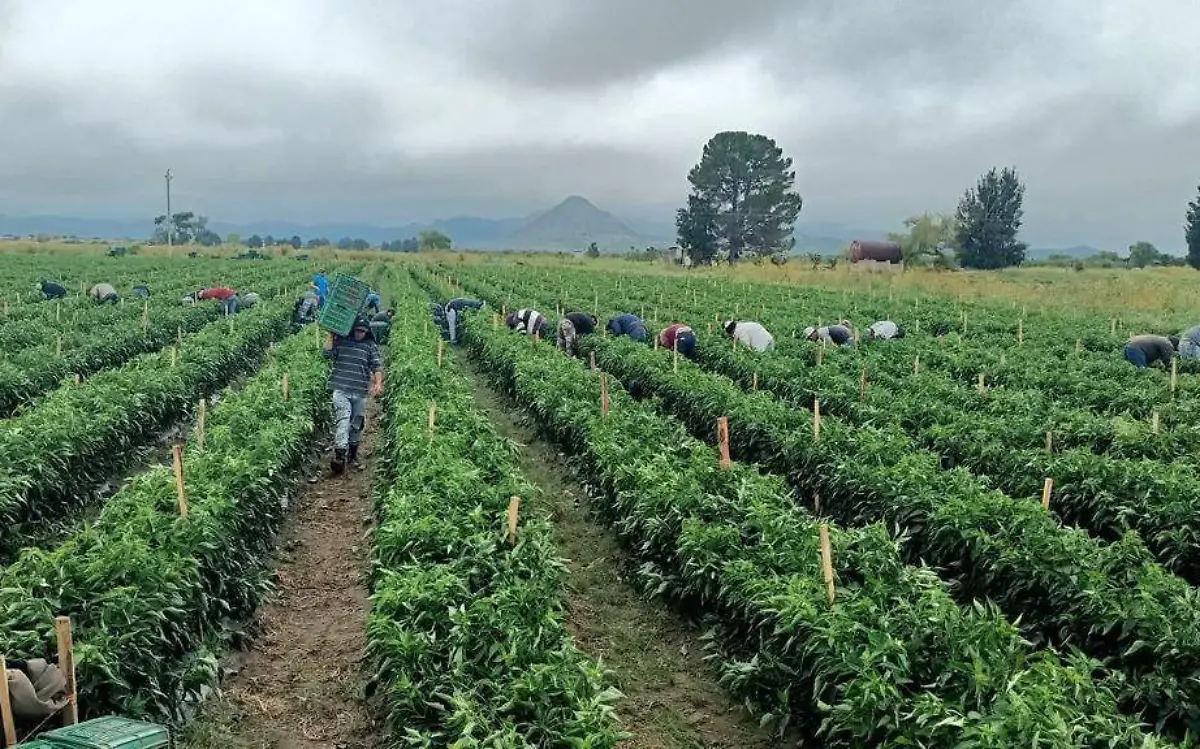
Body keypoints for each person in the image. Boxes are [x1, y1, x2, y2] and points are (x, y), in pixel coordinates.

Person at [323, 315, 383, 475]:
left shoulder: (370, 346)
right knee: (343, 420)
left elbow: (376, 366)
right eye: (357, 330)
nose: (359, 334)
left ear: (367, 332)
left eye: (363, 331)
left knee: (357, 422)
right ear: (352, 329)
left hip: (360, 391)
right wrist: (331, 335)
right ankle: (340, 455)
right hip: (341, 389)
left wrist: (378, 383)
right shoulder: (342, 341)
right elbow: (327, 354)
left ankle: (353, 454)